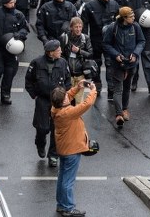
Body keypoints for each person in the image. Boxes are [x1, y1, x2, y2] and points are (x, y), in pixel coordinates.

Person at [51, 80, 97, 217]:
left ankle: (61, 204)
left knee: (62, 178)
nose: (68, 95)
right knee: (68, 181)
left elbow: (68, 96)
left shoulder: (55, 108)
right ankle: (68, 208)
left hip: (64, 149)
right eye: (65, 96)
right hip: (72, 150)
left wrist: (77, 88)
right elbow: (87, 104)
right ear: (63, 101)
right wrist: (93, 90)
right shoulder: (68, 112)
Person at [26, 40, 71, 166]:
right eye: (58, 50)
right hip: (42, 100)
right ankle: (40, 143)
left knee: (56, 129)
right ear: (51, 52)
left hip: (58, 101)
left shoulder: (63, 63)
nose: (60, 51)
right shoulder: (36, 63)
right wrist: (34, 94)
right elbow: (28, 80)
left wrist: (65, 95)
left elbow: (68, 80)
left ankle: (53, 155)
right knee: (42, 128)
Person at [103, 7, 145, 127]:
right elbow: (106, 44)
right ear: (124, 18)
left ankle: (125, 109)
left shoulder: (136, 27)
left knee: (127, 87)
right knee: (118, 90)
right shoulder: (113, 28)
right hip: (118, 64)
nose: (134, 18)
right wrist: (116, 55)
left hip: (131, 64)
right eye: (131, 17)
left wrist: (135, 54)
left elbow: (141, 41)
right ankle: (119, 114)